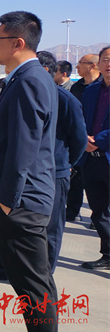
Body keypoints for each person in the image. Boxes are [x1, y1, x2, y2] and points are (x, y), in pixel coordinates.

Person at [0, 11, 59, 332]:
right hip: (21, 198)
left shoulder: (30, 81)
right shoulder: (24, 78)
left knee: (34, 284)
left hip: (22, 201)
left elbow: (25, 145)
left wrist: (8, 199)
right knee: (29, 281)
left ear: (18, 43)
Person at [79, 46, 110, 270]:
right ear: (98, 64)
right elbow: (81, 119)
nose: (109, 64)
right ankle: (107, 254)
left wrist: (97, 139)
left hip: (106, 153)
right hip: (91, 159)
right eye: (106, 59)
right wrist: (84, 139)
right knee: (99, 211)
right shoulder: (90, 91)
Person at [66, 53, 100, 221]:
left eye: (81, 63)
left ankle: (99, 217)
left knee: (99, 184)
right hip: (79, 139)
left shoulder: (102, 87)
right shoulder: (77, 87)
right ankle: (72, 211)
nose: (77, 66)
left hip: (98, 142)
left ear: (92, 66)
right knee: (75, 178)